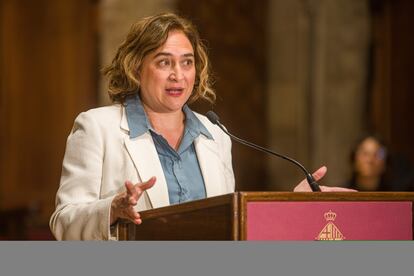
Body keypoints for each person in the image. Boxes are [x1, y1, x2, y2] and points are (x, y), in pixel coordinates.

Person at [49, 13, 352, 240]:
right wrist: (112, 210)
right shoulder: (96, 127)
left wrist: (286, 206)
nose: (178, 75)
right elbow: (63, 222)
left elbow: (227, 225)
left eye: (187, 62)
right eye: (164, 62)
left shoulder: (215, 135)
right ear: (137, 67)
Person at [345, 134, 414, 191]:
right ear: (354, 159)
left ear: (386, 162)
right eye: (365, 154)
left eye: (376, 155)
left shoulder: (397, 195)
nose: (370, 160)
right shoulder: (343, 192)